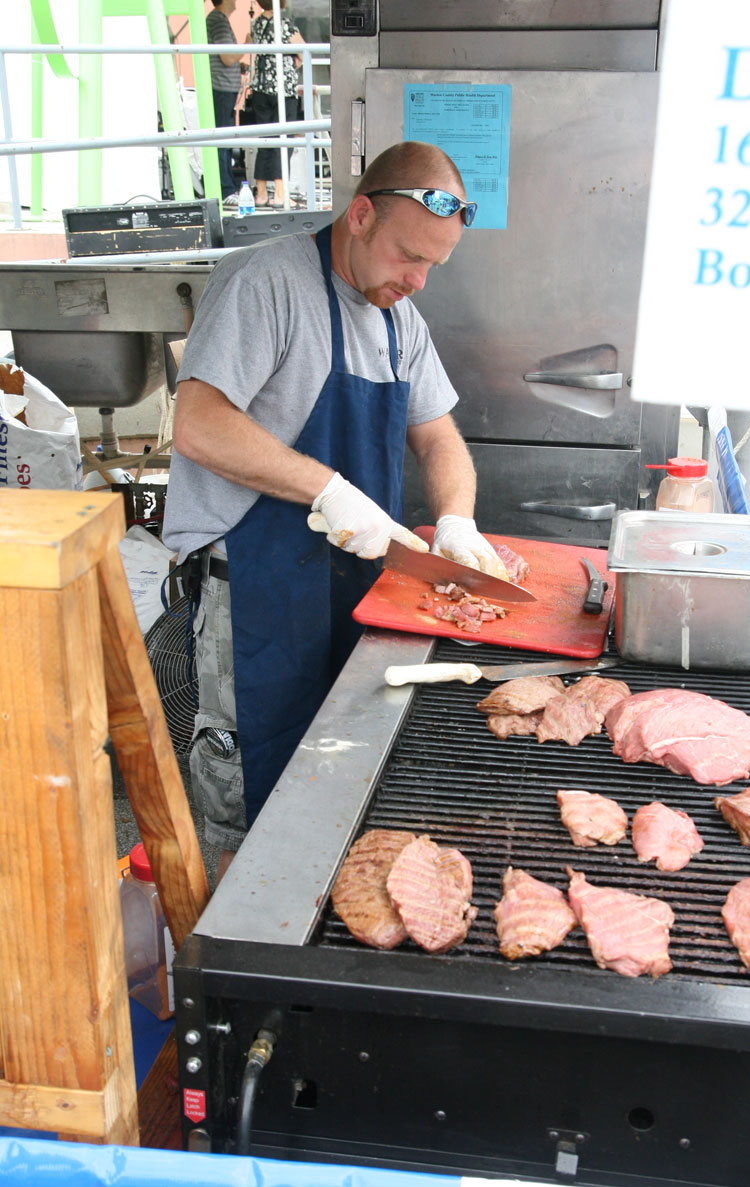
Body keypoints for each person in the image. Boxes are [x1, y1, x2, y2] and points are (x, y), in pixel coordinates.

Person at [161, 140, 508, 883]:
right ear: (359, 216)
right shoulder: (267, 285)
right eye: (408, 257)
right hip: (254, 594)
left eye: (432, 268)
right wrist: (326, 487)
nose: (415, 282)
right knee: (249, 789)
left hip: (354, 589)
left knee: (338, 783)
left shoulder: (397, 318)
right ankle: (236, 969)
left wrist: (456, 519)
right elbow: (198, 423)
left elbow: (438, 434)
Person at [245, 0, 305, 209]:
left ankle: (261, 193)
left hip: (261, 87)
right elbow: (302, 51)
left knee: (266, 139)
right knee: (284, 139)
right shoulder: (285, 23)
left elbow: (250, 45)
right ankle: (280, 193)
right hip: (283, 88)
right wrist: (291, 68)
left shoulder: (256, 24)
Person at [206, 0, 244, 207]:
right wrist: (247, 46)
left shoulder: (219, 20)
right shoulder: (218, 21)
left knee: (224, 138)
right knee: (221, 138)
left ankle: (227, 185)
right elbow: (227, 57)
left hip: (224, 88)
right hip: (221, 88)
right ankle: (226, 188)